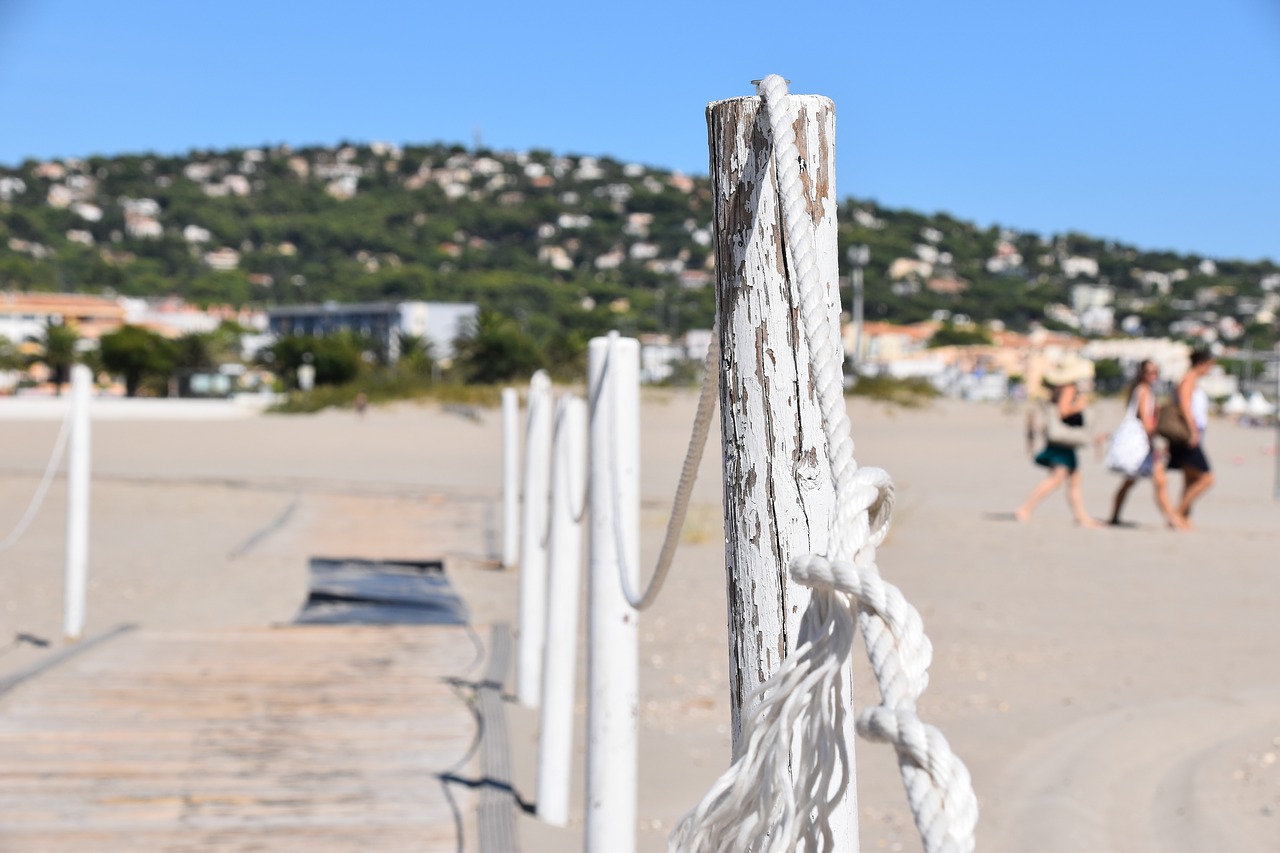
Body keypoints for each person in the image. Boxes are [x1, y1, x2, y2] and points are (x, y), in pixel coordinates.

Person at [1015, 358, 1102, 527]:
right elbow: (1063, 412)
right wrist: (1080, 405)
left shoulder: (1059, 388)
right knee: (1057, 478)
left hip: (1062, 441)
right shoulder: (1069, 388)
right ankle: (1025, 509)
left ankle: (1081, 516)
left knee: (1075, 478)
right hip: (1062, 441)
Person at [1107, 360, 1186, 529]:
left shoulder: (1142, 390)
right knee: (1160, 480)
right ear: (1141, 373)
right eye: (1149, 371)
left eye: (1155, 372)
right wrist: (1154, 444)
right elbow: (1146, 421)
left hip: (1139, 443)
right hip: (1141, 444)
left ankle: (1114, 516)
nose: (1152, 375)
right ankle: (1172, 519)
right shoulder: (1143, 391)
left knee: (1131, 481)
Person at [1167, 349, 1216, 525]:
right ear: (1202, 364)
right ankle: (1177, 514)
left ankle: (1185, 517)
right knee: (1207, 478)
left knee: (1190, 479)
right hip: (1188, 434)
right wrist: (1193, 431)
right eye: (1210, 366)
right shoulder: (1187, 380)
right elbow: (1185, 408)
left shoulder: (1192, 381)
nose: (1210, 370)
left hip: (1193, 432)